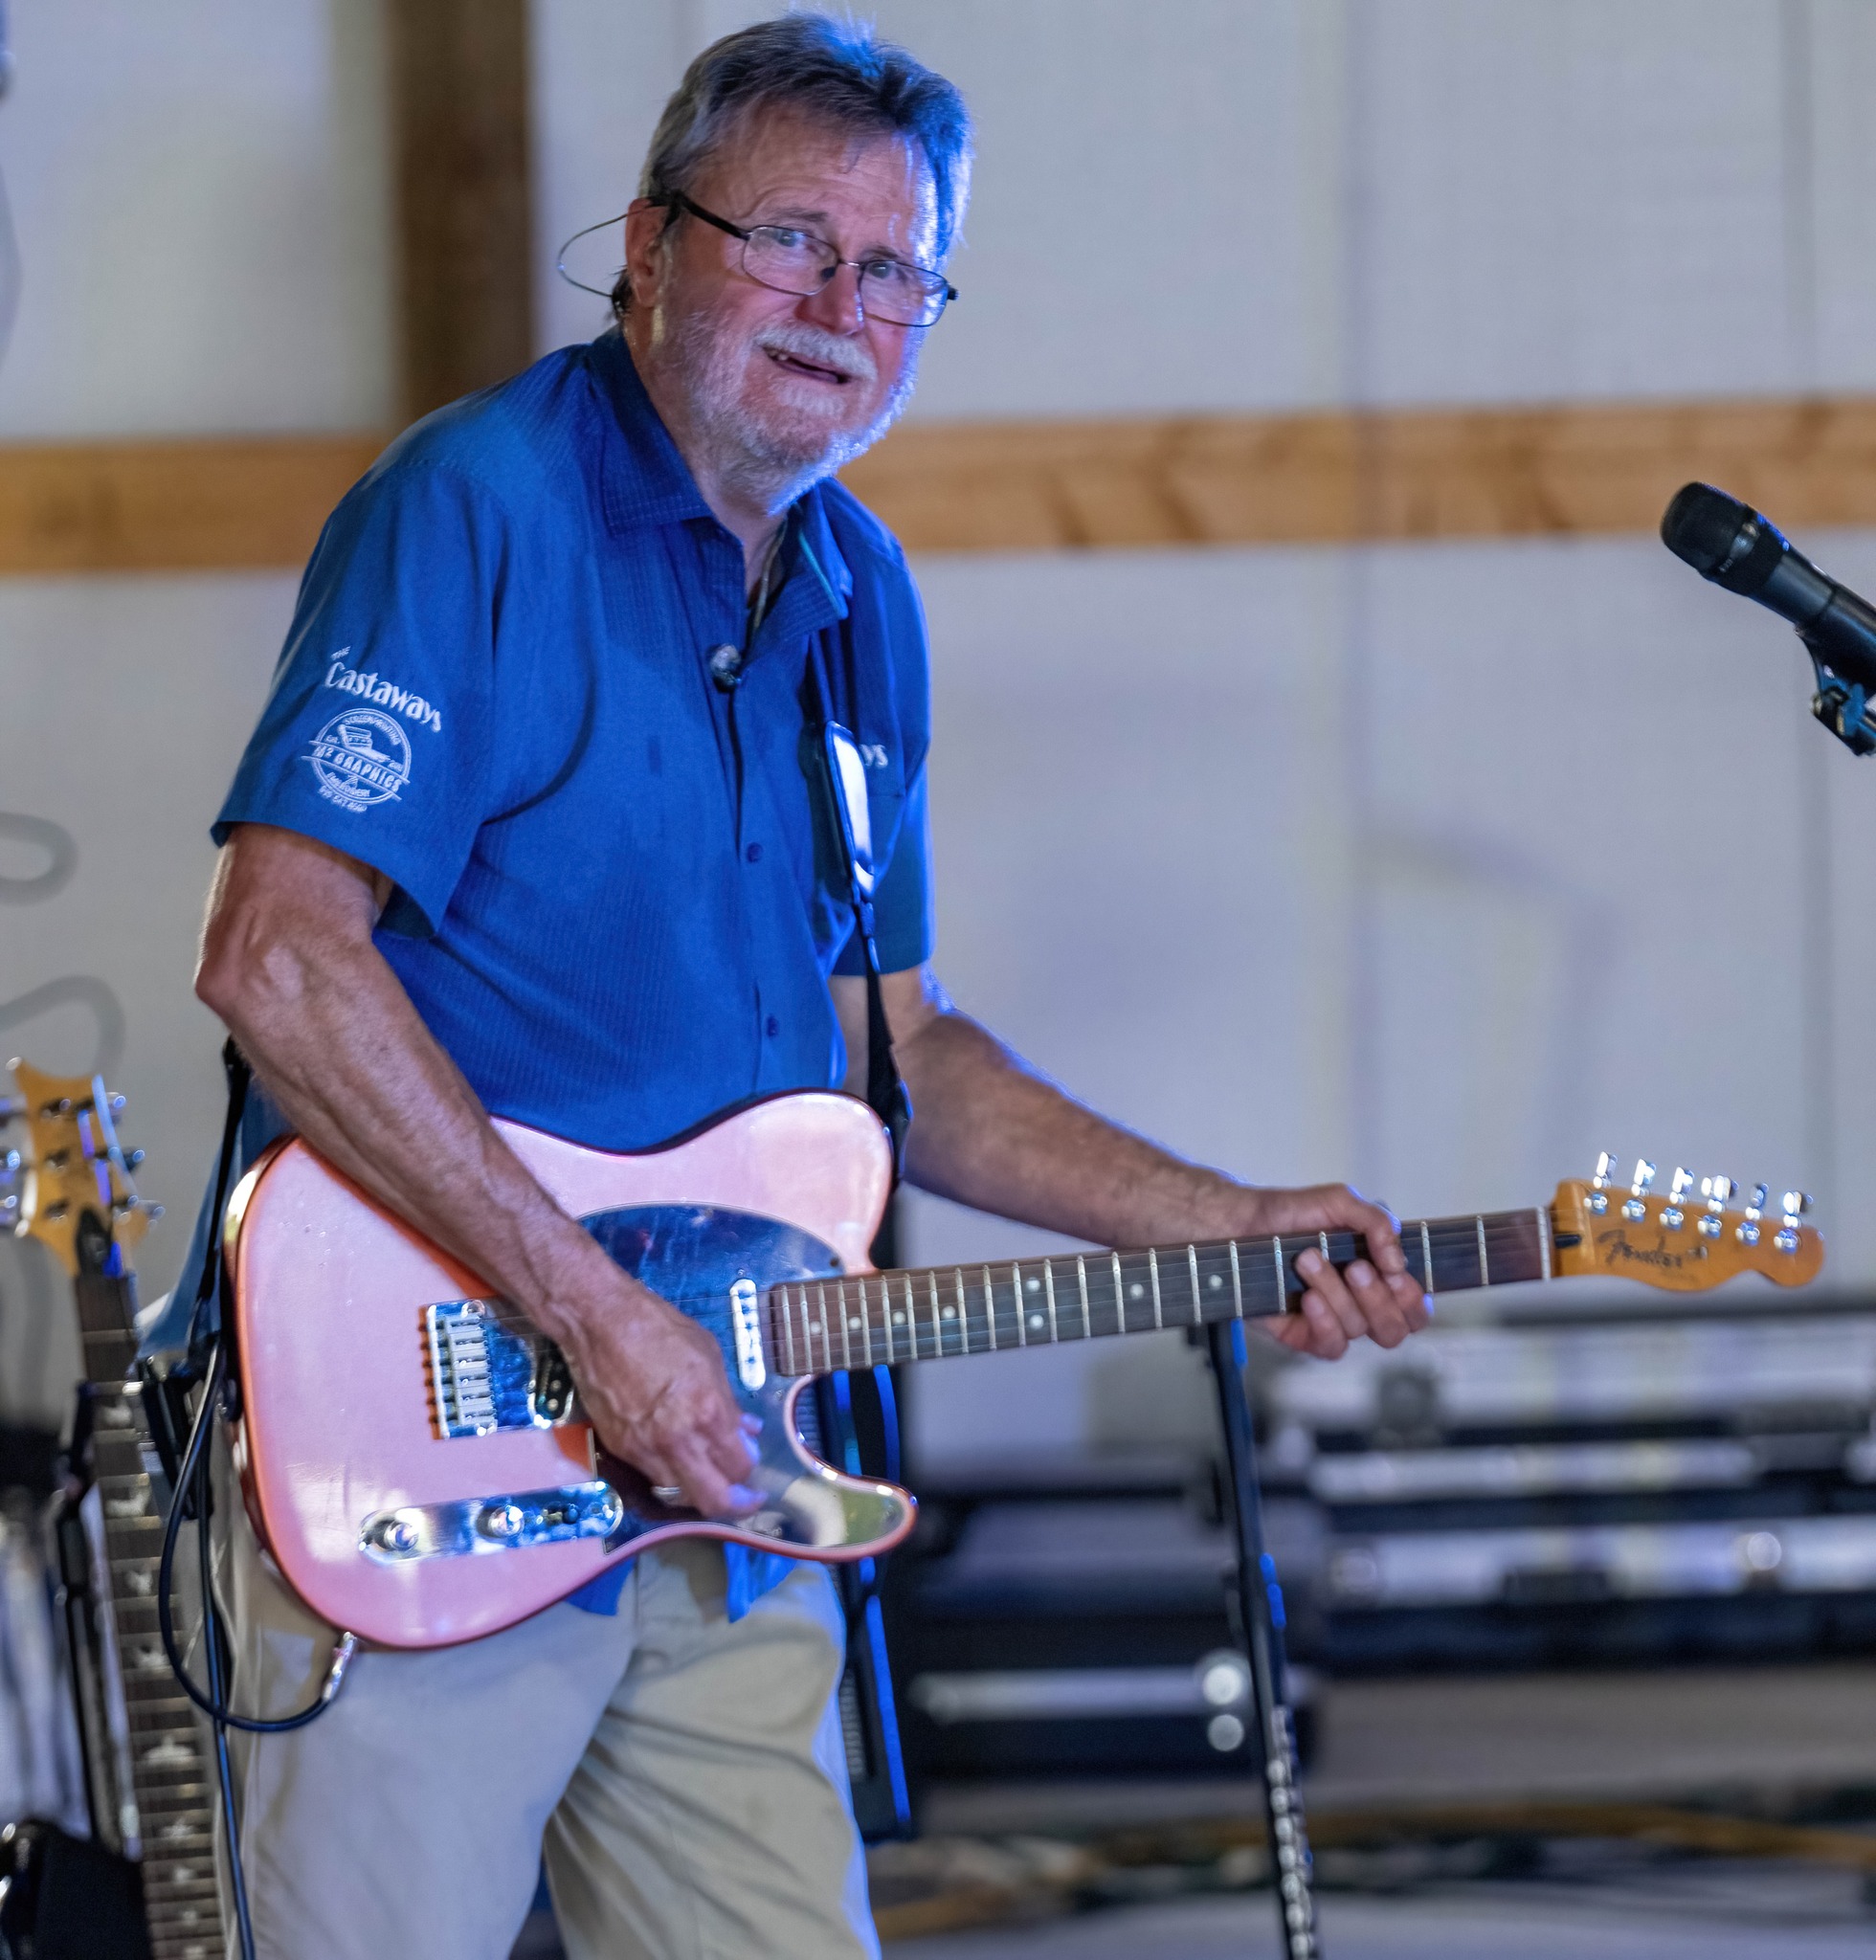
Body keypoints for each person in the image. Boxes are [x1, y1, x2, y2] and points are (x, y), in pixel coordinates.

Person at [186, 14, 1429, 1959]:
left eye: (894, 268)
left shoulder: (861, 597)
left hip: (723, 1484)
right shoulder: (475, 506)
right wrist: (594, 1315)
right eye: (788, 239)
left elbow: (900, 1055)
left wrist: (1237, 1225)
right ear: (650, 240)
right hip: (415, 1468)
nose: (840, 303)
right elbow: (276, 951)